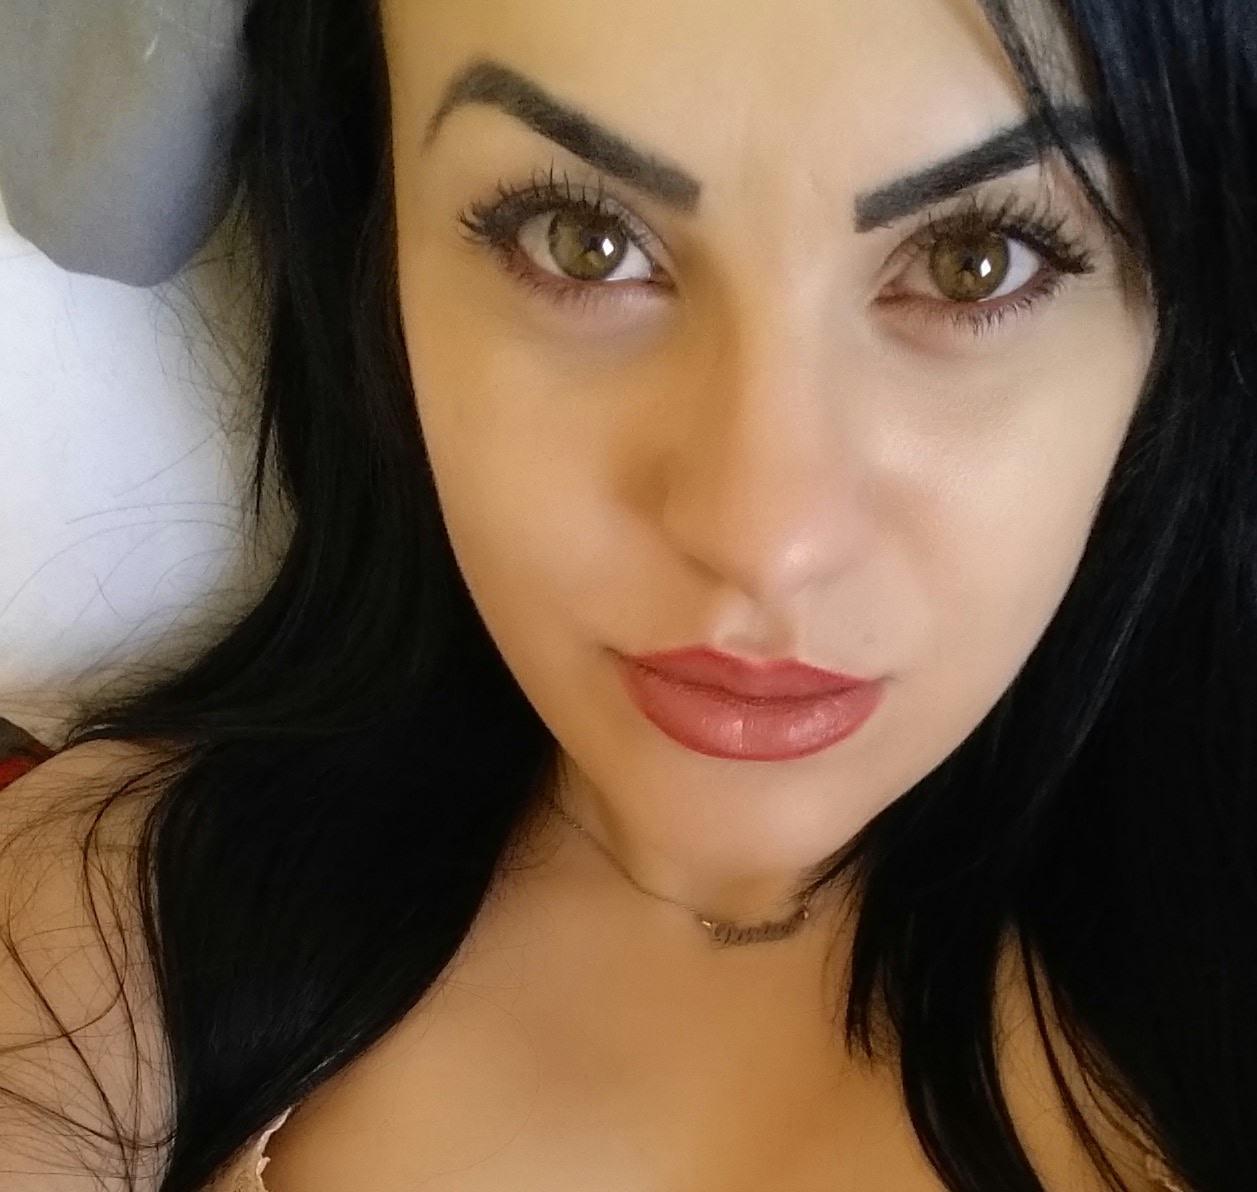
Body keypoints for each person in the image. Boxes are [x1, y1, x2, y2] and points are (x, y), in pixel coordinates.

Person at [0, 0, 1252, 1189]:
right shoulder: (115, 919)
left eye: (976, 262)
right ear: (377, 244)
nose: (764, 539)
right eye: (582, 239)